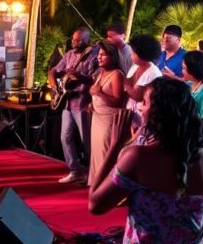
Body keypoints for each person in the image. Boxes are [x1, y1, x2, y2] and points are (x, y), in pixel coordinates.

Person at [89, 78, 203, 244]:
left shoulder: (137, 157)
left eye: (144, 103)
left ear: (158, 113)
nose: (140, 108)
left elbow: (95, 205)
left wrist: (114, 145)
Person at [48, 27, 99, 184]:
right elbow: (54, 70)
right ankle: (75, 170)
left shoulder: (94, 56)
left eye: (78, 40)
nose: (74, 43)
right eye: (73, 40)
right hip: (67, 103)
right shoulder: (69, 54)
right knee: (65, 137)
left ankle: (92, 173)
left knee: (87, 141)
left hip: (83, 104)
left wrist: (80, 76)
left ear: (87, 40)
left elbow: (96, 80)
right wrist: (54, 86)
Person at [88, 40, 127, 186]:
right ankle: (97, 184)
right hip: (97, 117)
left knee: (105, 154)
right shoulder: (101, 72)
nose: (99, 57)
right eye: (99, 54)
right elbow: (97, 93)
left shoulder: (117, 75)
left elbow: (118, 102)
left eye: (103, 55)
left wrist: (99, 94)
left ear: (112, 57)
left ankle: (106, 186)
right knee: (97, 153)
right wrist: (92, 103)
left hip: (109, 120)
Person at [123, 35, 164, 131]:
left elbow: (137, 96)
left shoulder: (153, 73)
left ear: (142, 54)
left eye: (133, 52)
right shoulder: (135, 66)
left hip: (141, 119)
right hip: (129, 113)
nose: (131, 54)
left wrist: (124, 82)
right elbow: (128, 86)